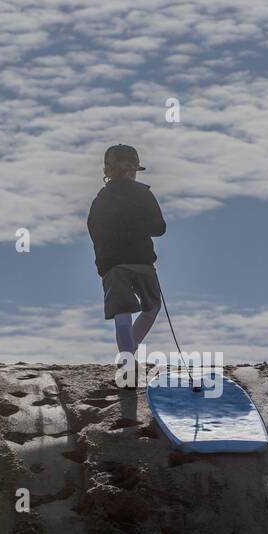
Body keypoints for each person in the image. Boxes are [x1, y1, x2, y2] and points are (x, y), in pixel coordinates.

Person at [87, 145, 167, 389]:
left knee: (122, 313)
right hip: (141, 261)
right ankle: (128, 360)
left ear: (107, 171)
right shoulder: (144, 194)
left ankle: (127, 364)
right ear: (132, 170)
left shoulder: (100, 199)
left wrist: (104, 255)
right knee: (151, 307)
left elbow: (93, 230)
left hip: (113, 265)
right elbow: (159, 228)